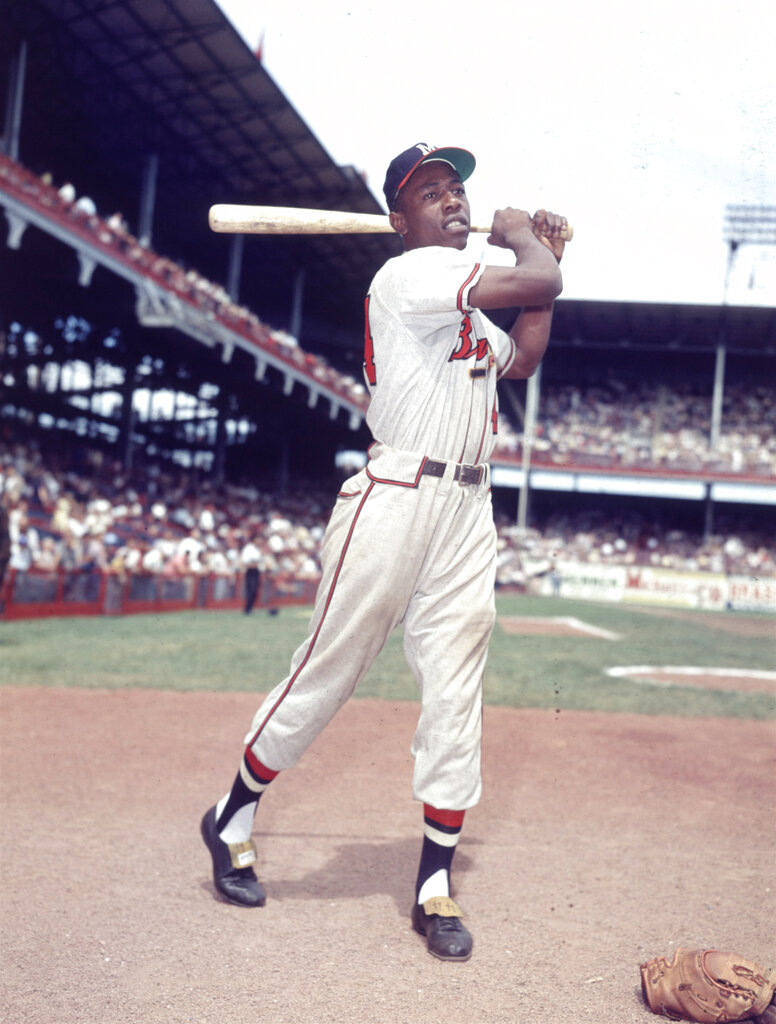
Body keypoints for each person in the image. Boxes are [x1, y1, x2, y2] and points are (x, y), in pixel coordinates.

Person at [200, 142, 566, 962]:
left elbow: (528, 353)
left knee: (456, 687)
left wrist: (549, 257)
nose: (452, 202)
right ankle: (232, 818)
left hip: (469, 506)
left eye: (458, 191)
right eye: (431, 194)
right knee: (332, 664)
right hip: (396, 493)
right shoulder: (409, 277)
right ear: (401, 221)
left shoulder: (464, 308)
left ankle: (434, 885)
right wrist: (521, 236)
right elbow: (535, 279)